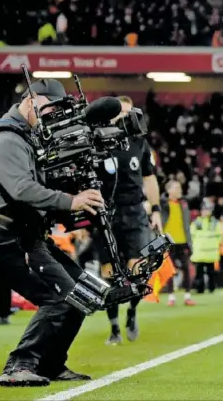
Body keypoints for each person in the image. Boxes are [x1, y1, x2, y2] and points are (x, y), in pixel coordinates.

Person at [0, 78, 105, 387]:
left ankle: (50, 363)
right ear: (32, 101)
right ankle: (18, 365)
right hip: (3, 238)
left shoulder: (27, 136)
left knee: (82, 292)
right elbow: (21, 190)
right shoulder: (5, 138)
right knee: (59, 298)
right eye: (50, 109)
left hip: (25, 236)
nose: (53, 117)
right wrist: (71, 200)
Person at [100, 96, 161, 345]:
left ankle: (132, 312)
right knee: (109, 274)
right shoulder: (98, 142)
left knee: (138, 271)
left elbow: (149, 178)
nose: (124, 118)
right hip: (106, 215)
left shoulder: (139, 142)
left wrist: (155, 209)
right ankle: (114, 327)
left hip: (134, 211)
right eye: (119, 113)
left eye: (127, 113)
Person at [161, 180, 194, 306]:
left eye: (179, 187)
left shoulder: (183, 204)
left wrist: (189, 242)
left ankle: (187, 296)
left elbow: (186, 224)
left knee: (186, 268)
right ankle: (171, 297)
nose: (179, 190)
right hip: (169, 242)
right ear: (169, 190)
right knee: (170, 270)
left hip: (182, 241)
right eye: (176, 188)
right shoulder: (163, 204)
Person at [190, 198, 223, 294]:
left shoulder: (215, 223)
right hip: (200, 252)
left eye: (207, 209)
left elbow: (220, 236)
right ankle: (200, 289)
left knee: (211, 272)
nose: (205, 212)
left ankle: (211, 288)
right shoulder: (196, 223)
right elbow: (192, 235)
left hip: (210, 251)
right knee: (199, 273)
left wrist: (214, 244)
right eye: (204, 210)